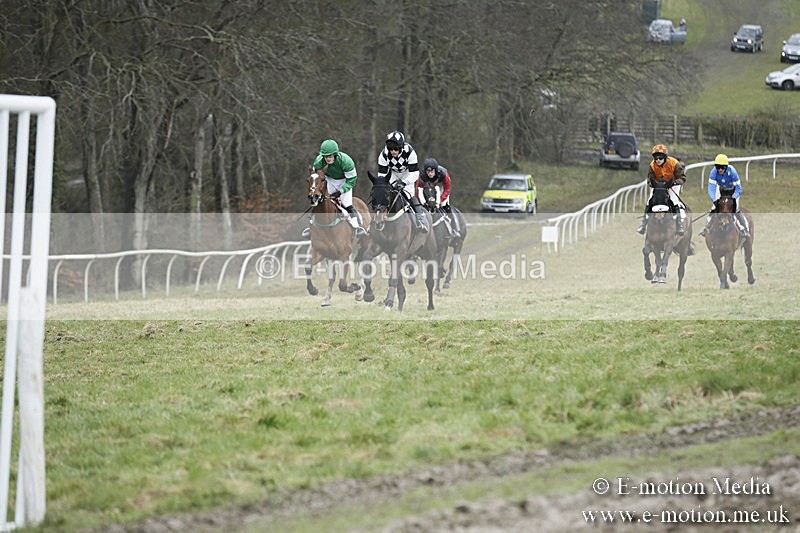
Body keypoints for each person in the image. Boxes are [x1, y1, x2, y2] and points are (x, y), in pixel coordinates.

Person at [302, 139, 367, 238]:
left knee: (347, 204)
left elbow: (352, 180)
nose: (327, 159)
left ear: (335, 155)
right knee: (319, 201)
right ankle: (311, 227)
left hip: (345, 181)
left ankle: (358, 227)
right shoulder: (318, 162)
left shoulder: (346, 162)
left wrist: (340, 191)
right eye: (325, 156)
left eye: (330, 156)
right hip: (330, 180)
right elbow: (317, 177)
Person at [377, 130, 428, 233]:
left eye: (396, 149)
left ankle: (421, 220)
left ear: (401, 147)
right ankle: (376, 221)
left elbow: (414, 173)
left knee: (409, 195)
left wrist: (404, 182)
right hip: (392, 174)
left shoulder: (410, 152)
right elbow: (382, 175)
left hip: (407, 173)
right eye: (390, 149)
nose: (393, 151)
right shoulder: (383, 155)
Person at [636, 144, 687, 236]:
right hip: (659, 186)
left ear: (665, 157)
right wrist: (656, 184)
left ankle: (679, 225)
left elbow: (683, 178)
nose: (657, 160)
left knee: (674, 200)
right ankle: (644, 224)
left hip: (673, 184)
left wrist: (674, 183)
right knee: (650, 200)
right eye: (656, 158)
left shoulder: (674, 163)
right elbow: (650, 179)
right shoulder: (652, 165)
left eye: (660, 158)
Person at [698, 154, 750, 238]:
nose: (720, 170)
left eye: (722, 168)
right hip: (720, 190)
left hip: (732, 191)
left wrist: (733, 198)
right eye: (718, 167)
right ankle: (707, 227)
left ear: (726, 167)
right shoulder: (713, 172)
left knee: (735, 208)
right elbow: (711, 188)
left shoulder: (732, 171)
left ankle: (743, 228)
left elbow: (738, 188)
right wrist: (714, 200)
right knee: (713, 208)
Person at [416, 157, 461, 238]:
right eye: (428, 171)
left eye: (432, 171)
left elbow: (447, 188)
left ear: (435, 171)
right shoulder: (421, 176)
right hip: (427, 191)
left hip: (440, 190)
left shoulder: (443, 173)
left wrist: (440, 199)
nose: (430, 174)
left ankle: (455, 229)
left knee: (446, 206)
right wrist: (423, 202)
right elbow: (418, 190)